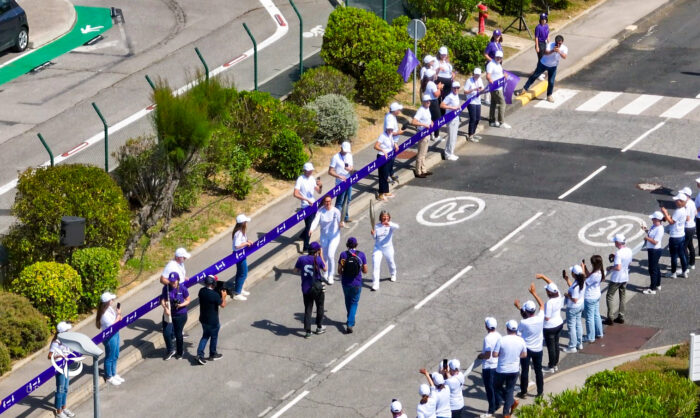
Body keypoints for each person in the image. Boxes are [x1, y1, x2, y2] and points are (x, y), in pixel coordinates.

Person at [514, 284, 545, 398]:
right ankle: (540, 391)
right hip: (538, 349)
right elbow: (542, 304)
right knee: (538, 371)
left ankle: (523, 391)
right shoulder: (540, 318)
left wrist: (519, 307)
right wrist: (534, 293)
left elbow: (518, 333)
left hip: (527, 350)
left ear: (526, 311)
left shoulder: (524, 322)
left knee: (525, 371)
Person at [493, 319, 527, 418]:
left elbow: (495, 354)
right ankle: (506, 412)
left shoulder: (502, 340)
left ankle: (510, 406)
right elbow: (524, 354)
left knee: (497, 387)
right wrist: (515, 356)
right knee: (509, 389)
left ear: (507, 329)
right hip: (514, 369)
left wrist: (503, 355)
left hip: (502, 370)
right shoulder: (521, 340)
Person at [520, 35, 568, 103]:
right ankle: (525, 88)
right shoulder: (550, 44)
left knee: (551, 81)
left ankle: (549, 95)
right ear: (555, 42)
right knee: (534, 76)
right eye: (557, 43)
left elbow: (564, 57)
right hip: (543, 64)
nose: (558, 44)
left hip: (553, 66)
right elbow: (545, 52)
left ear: (562, 42)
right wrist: (552, 51)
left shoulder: (564, 48)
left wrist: (559, 51)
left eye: (560, 43)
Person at [294, 241, 327, 338]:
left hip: (306, 288)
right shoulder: (318, 259)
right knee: (320, 306)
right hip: (317, 287)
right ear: (317, 250)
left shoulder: (301, 259)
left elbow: (295, 270)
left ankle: (308, 331)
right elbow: (325, 269)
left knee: (308, 309)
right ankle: (319, 327)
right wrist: (321, 255)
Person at [310, 195, 343, 284]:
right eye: (326, 202)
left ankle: (331, 275)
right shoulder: (320, 211)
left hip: (334, 237)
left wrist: (341, 224)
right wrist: (311, 229)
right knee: (324, 256)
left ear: (331, 201)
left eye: (329, 201)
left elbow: (340, 221)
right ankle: (325, 272)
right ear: (324, 202)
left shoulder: (336, 211)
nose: (328, 203)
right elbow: (316, 221)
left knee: (331, 255)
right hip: (324, 237)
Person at [534, 274, 564, 373]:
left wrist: (540, 312)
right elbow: (551, 283)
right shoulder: (558, 295)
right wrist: (543, 277)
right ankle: (555, 364)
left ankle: (551, 366)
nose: (546, 291)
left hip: (550, 327)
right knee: (556, 344)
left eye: (547, 290)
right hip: (559, 323)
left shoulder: (550, 303)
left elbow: (547, 317)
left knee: (551, 347)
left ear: (549, 293)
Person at [338, 237, 368, 334]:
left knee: (347, 300)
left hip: (346, 283)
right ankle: (350, 323)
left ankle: (350, 319)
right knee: (354, 302)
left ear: (347, 245)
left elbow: (339, 271)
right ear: (356, 244)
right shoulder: (361, 255)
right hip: (357, 283)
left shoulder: (343, 254)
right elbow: (365, 270)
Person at [196, 274, 227, 365]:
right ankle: (212, 354)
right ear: (213, 283)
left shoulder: (201, 291)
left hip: (203, 319)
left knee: (205, 335)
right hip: (212, 321)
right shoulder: (214, 295)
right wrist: (224, 296)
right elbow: (223, 305)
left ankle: (199, 354)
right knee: (213, 336)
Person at [604, 233, 633, 325]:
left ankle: (610, 317)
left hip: (617, 278)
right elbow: (629, 263)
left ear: (618, 242)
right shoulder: (629, 250)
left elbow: (618, 267)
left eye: (615, 242)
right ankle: (621, 316)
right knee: (622, 296)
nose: (614, 243)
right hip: (625, 277)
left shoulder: (619, 253)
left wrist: (610, 268)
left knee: (609, 296)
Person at [160, 272, 190, 360]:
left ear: (178, 280)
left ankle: (180, 352)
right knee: (166, 333)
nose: (173, 283)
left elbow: (188, 300)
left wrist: (181, 305)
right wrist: (165, 308)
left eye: (174, 281)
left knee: (178, 334)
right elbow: (162, 300)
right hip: (169, 314)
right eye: (171, 281)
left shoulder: (183, 288)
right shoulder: (166, 288)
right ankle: (170, 350)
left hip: (180, 314)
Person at [49, 322, 76, 418]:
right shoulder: (56, 342)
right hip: (59, 366)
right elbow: (50, 356)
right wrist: (60, 355)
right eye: (67, 330)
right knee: (60, 388)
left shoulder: (65, 339)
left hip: (66, 365)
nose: (69, 331)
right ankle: (59, 411)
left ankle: (64, 408)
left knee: (65, 387)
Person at [294, 162, 323, 252]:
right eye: (309, 171)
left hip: (313, 204)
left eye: (311, 170)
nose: (310, 172)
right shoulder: (300, 179)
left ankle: (302, 236)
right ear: (305, 171)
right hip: (305, 206)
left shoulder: (312, 179)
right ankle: (306, 247)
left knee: (310, 225)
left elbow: (319, 191)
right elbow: (295, 194)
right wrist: (306, 199)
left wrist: (320, 185)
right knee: (309, 226)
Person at [96, 291, 123, 385]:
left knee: (115, 355)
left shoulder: (109, 309)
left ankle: (114, 373)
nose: (113, 300)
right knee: (110, 356)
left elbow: (118, 320)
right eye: (111, 299)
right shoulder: (104, 315)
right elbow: (112, 325)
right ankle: (108, 376)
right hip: (109, 337)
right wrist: (119, 315)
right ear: (107, 302)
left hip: (115, 333)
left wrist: (119, 315)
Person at [477, 317, 501, 417]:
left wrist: (480, 356)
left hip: (488, 367)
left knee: (489, 389)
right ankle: (498, 404)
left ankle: (491, 410)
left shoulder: (487, 339)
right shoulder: (499, 335)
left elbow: (487, 354)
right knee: (495, 388)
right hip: (497, 365)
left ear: (487, 327)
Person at [661, 193, 689, 278]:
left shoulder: (678, 211)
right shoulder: (684, 209)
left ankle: (673, 273)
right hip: (681, 235)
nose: (675, 202)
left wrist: (665, 213)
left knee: (674, 256)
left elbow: (671, 222)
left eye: (677, 200)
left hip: (675, 237)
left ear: (681, 202)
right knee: (681, 254)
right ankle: (684, 271)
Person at [371, 210, 399, 291]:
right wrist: (373, 234)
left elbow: (397, 226)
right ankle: (375, 284)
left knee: (390, 262)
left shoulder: (391, 226)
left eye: (387, 216)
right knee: (375, 265)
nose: (385, 217)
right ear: (381, 217)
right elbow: (375, 238)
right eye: (383, 216)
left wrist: (389, 224)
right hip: (378, 248)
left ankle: (393, 274)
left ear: (389, 217)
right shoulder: (376, 226)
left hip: (388, 248)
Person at [562, 264, 585, 353]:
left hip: (573, 307)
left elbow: (574, 299)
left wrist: (567, 295)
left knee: (571, 327)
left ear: (574, 274)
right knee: (578, 324)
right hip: (580, 306)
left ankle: (572, 346)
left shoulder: (576, 286)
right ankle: (579, 343)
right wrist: (567, 279)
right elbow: (573, 286)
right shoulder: (581, 281)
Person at [329, 142, 354, 222]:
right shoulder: (335, 157)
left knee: (348, 199)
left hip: (348, 179)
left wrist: (350, 169)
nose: (346, 152)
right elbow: (330, 171)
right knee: (340, 201)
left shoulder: (349, 156)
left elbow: (352, 167)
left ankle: (345, 217)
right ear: (341, 148)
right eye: (344, 150)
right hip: (340, 181)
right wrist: (338, 176)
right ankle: (336, 219)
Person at [582, 255, 605, 342]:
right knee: (596, 315)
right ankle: (599, 333)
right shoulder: (599, 272)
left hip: (590, 297)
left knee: (589, 318)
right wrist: (585, 268)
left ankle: (590, 337)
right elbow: (589, 275)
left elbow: (585, 282)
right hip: (596, 296)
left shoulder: (595, 275)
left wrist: (582, 272)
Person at [411, 94, 435, 178]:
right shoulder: (420, 110)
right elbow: (413, 122)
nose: (428, 102)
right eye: (427, 101)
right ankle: (418, 171)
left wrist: (431, 121)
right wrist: (424, 125)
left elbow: (427, 118)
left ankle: (423, 169)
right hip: (422, 133)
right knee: (421, 153)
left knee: (424, 152)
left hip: (427, 133)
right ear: (423, 102)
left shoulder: (427, 108)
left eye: (429, 101)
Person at [486, 50, 510, 129]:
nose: (499, 59)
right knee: (502, 103)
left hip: (498, 86)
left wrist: (504, 75)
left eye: (500, 57)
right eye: (497, 57)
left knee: (493, 103)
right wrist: (490, 80)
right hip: (495, 87)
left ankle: (492, 120)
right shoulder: (491, 64)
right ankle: (501, 122)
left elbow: (498, 73)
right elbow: (488, 75)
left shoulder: (498, 64)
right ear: (494, 57)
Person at [642, 211, 665, 294]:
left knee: (652, 269)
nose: (652, 219)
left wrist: (647, 238)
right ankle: (657, 284)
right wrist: (646, 230)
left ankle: (652, 288)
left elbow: (655, 242)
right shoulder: (654, 226)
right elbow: (651, 233)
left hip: (654, 251)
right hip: (653, 250)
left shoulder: (660, 229)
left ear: (657, 219)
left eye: (653, 218)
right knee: (656, 268)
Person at [232, 214, 253, 300]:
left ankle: (239, 289)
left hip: (241, 254)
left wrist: (247, 241)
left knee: (240, 272)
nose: (247, 223)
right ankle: (237, 293)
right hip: (239, 255)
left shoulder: (240, 231)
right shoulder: (239, 233)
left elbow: (241, 241)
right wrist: (246, 243)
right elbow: (237, 245)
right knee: (243, 273)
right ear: (243, 223)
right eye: (246, 222)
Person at [440, 81, 462, 161]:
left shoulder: (456, 95)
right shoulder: (449, 96)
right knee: (452, 137)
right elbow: (442, 105)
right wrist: (452, 108)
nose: (456, 89)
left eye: (458, 88)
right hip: (450, 118)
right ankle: (448, 154)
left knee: (454, 137)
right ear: (452, 88)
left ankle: (451, 152)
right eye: (455, 88)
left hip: (456, 118)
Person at [384, 103, 405, 185]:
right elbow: (389, 132)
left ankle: (391, 173)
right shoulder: (389, 118)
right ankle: (387, 176)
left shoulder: (392, 116)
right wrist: (398, 133)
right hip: (390, 142)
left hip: (393, 141)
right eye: (398, 110)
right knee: (389, 160)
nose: (399, 111)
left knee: (392, 159)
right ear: (395, 111)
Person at [374, 125, 396, 200]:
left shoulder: (390, 135)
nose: (390, 131)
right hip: (382, 157)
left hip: (389, 157)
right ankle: (380, 194)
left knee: (387, 175)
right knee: (383, 176)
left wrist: (395, 144)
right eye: (389, 129)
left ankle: (386, 191)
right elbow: (376, 146)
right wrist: (383, 150)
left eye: (391, 129)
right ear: (386, 129)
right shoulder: (382, 136)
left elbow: (391, 143)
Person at [422, 68, 444, 141]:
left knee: (430, 118)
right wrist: (439, 88)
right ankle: (436, 136)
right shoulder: (431, 84)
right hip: (433, 102)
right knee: (437, 118)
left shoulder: (424, 82)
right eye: (434, 74)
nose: (435, 75)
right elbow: (436, 95)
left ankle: (430, 133)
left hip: (427, 101)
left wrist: (437, 87)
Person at [464, 68, 484, 142]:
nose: (477, 76)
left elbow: (482, 88)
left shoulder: (480, 80)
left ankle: (473, 133)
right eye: (476, 74)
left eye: (478, 75)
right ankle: (470, 135)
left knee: (478, 118)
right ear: (473, 74)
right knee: (473, 118)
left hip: (478, 101)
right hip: (471, 102)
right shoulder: (469, 81)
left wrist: (482, 90)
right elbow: (465, 92)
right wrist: (473, 90)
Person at [680, 186, 697, 270]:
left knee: (683, 247)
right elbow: (696, 213)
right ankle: (692, 263)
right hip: (692, 226)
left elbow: (687, 218)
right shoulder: (692, 203)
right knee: (690, 245)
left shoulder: (686, 204)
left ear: (687, 195)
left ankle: (685, 265)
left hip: (687, 227)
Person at [534, 13, 549, 81]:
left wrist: (548, 40)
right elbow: (536, 37)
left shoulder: (546, 26)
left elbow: (547, 33)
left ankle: (539, 72)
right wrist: (537, 47)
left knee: (544, 59)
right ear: (540, 20)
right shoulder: (538, 27)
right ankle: (538, 74)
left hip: (544, 43)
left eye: (545, 19)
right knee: (541, 60)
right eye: (542, 19)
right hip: (540, 44)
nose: (544, 20)